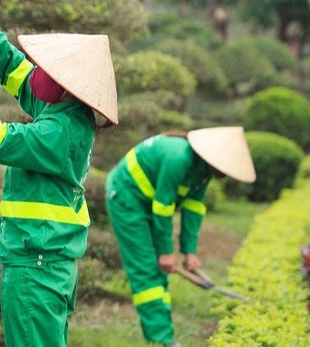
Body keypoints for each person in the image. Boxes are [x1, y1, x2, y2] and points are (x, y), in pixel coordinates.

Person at [0, 15, 118, 347]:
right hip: (47, 264)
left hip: (36, 268)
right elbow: (22, 77)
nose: (37, 71)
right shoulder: (68, 110)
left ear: (67, 83)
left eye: (45, 68)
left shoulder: (57, 132)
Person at [104, 127, 256, 346]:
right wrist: (166, 252)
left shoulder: (203, 170)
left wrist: (189, 252)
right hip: (126, 198)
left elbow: (194, 208)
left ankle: (163, 334)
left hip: (150, 203)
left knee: (158, 271)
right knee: (146, 270)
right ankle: (162, 340)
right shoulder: (178, 157)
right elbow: (164, 206)